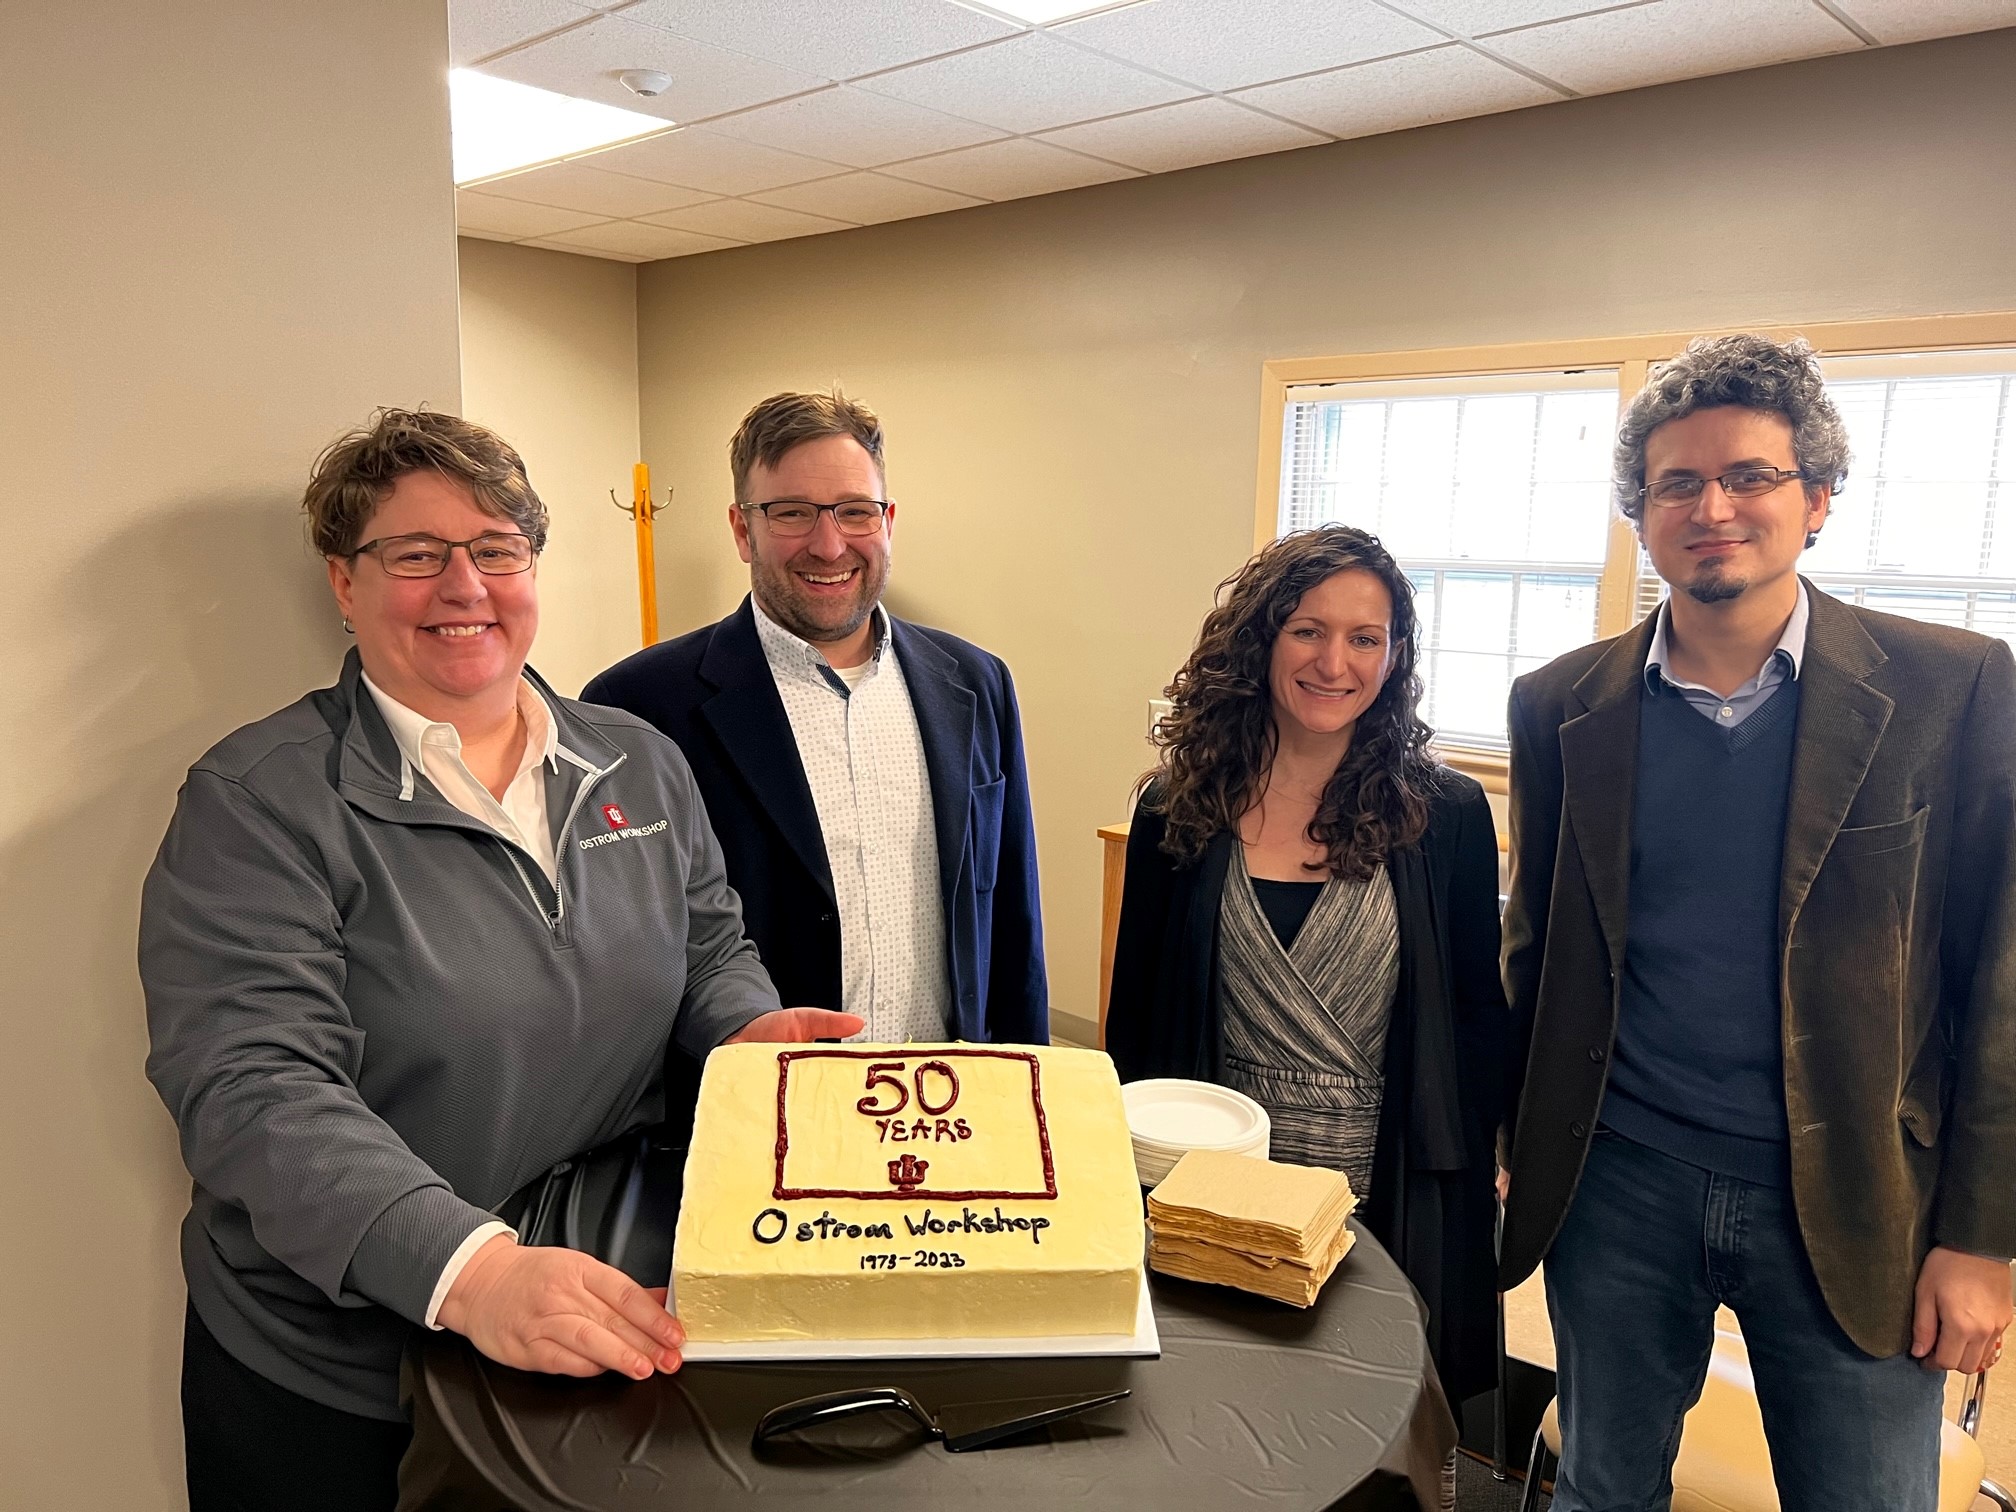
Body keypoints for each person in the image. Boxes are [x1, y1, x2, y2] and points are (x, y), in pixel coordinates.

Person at [140, 410, 859, 1512]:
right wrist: (471, 1270)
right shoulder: (260, 803)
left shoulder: (639, 760)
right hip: (343, 1367)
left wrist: (747, 1031)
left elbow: (710, 944)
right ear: (344, 582)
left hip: (586, 1301)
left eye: (496, 549)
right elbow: (256, 1091)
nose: (463, 585)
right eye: (415, 555)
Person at [1499, 334, 2016, 1509]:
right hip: (1618, 1181)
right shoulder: (1561, 704)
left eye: (1750, 476)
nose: (1712, 506)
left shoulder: (1955, 687)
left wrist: (1983, 1239)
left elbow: (2003, 982)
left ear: (1818, 500)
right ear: (1642, 513)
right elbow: (1538, 949)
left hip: (1855, 1194)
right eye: (1676, 482)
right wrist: (1509, 1139)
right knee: (1599, 1489)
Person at [1106, 525, 1506, 1408]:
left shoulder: (1444, 816)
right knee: (1212, 1417)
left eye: (1366, 638)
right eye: (1308, 630)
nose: (1336, 662)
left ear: (1394, 657)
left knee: (1361, 1427)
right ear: (1261, 640)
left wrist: (1488, 1162)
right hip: (1208, 1178)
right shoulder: (1179, 809)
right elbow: (1134, 1018)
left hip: (1382, 1181)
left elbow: (1478, 1013)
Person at [584, 389, 1045, 1057]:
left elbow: (1011, 917)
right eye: (792, 513)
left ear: (887, 520)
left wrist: (1027, 1090)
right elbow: (622, 955)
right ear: (743, 530)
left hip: (945, 1103)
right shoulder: (637, 709)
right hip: (758, 1113)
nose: (829, 545)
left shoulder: (974, 684)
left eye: (855, 512)